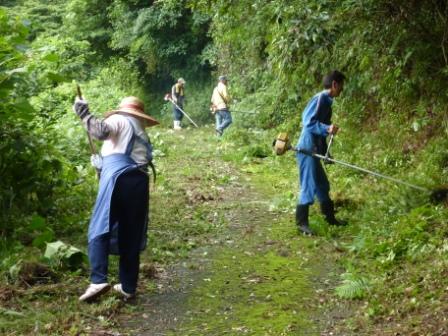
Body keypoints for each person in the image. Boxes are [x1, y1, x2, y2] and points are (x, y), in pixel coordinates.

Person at [73, 95, 159, 302]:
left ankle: (98, 279)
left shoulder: (119, 118)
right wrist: (101, 165)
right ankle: (128, 287)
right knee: (130, 233)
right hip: (139, 181)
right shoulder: (140, 131)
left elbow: (101, 131)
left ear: (123, 110)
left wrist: (83, 113)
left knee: (100, 225)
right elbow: (121, 152)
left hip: (119, 178)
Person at [295, 70, 347, 235]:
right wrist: (327, 128)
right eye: (341, 86)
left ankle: (330, 218)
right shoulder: (320, 98)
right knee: (308, 185)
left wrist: (326, 154)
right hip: (306, 148)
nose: (342, 89)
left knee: (322, 185)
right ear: (334, 84)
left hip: (315, 149)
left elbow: (321, 132)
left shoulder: (328, 101)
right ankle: (302, 223)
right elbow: (308, 122)